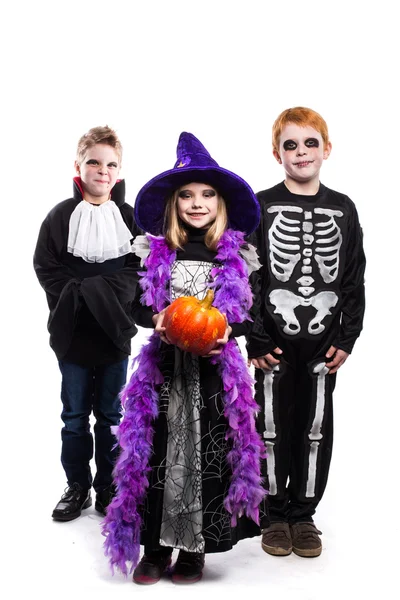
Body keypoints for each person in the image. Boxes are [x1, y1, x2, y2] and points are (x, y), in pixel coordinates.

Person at [102, 132, 268, 584]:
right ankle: (155, 550)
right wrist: (154, 318)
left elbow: (251, 315)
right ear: (174, 204)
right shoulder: (156, 252)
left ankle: (195, 550)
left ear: (220, 203)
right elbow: (135, 304)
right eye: (187, 196)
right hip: (163, 371)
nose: (197, 203)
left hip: (216, 375)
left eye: (207, 195)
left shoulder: (235, 256)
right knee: (155, 454)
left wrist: (227, 330)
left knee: (208, 454)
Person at [247, 107, 366, 558]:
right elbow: (249, 276)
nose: (301, 152)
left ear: (327, 149)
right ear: (276, 153)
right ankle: (274, 514)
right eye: (291, 145)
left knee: (314, 427)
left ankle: (304, 514)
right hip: (273, 342)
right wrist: (255, 337)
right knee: (271, 425)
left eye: (310, 143)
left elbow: (353, 274)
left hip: (321, 339)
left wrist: (347, 336)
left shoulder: (343, 207)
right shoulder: (258, 205)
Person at [33, 126, 141, 522]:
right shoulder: (60, 216)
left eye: (111, 164)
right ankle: (77, 485)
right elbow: (46, 267)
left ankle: (108, 485)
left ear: (120, 171)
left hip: (114, 333)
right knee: (75, 415)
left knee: (112, 416)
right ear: (78, 166)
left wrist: (92, 290)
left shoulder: (130, 218)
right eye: (93, 162)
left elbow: (138, 270)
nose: (103, 170)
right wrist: (83, 296)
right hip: (73, 333)